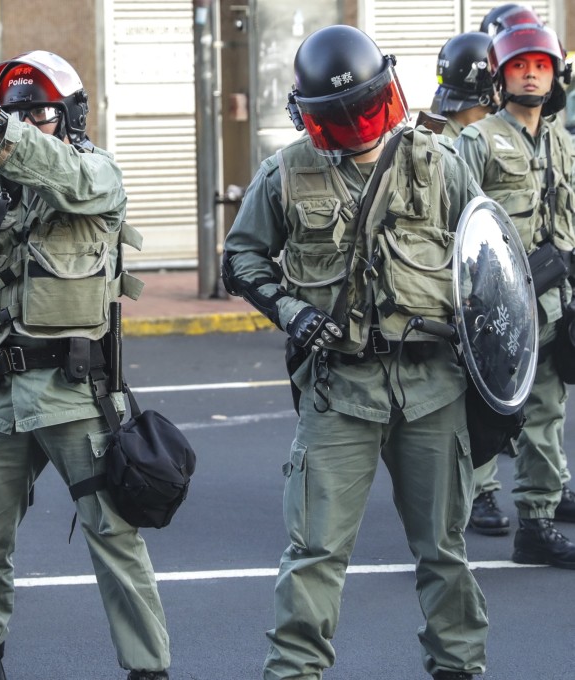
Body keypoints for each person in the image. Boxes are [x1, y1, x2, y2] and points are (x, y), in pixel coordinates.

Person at [222, 25, 489, 680]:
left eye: (367, 109)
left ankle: (458, 669)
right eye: (343, 118)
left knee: (445, 555)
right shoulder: (286, 172)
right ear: (314, 119)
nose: (359, 126)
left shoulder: (441, 161)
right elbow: (242, 258)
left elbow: (485, 261)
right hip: (340, 391)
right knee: (314, 555)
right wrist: (293, 313)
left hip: (434, 388)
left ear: (388, 95)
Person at [0, 50, 169, 680]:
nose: (26, 122)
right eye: (15, 111)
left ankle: (149, 670)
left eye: (40, 112)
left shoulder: (96, 171)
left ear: (69, 117)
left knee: (112, 536)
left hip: (71, 390)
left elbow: (69, 179)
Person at [454, 6, 575, 569]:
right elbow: (454, 220)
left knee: (548, 412)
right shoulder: (478, 140)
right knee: (487, 413)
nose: (531, 75)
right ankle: (467, 506)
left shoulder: (564, 144)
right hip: (499, 305)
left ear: (555, 77)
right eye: (519, 65)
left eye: (540, 66)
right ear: (500, 75)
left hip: (556, 303)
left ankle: (538, 521)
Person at [431, 30, 511, 536]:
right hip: (462, 290)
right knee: (472, 399)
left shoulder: (440, 138)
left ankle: (478, 491)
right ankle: (477, 493)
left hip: (478, 284)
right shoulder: (456, 147)